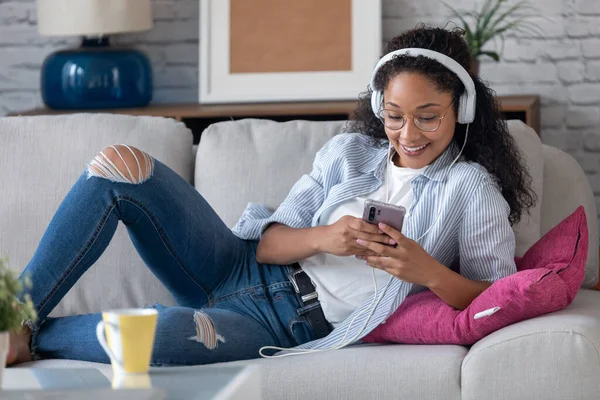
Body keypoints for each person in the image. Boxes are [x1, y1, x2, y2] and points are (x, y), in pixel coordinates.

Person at [7, 25, 536, 366]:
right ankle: (12, 317)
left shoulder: (470, 188)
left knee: (153, 339)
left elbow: (497, 299)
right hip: (231, 266)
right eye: (395, 117)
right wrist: (327, 237)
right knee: (117, 166)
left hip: (282, 323)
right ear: (380, 107)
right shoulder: (348, 153)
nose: (409, 134)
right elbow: (267, 244)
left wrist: (426, 272)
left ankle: (29, 338)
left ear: (461, 111)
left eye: (428, 117)